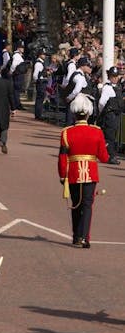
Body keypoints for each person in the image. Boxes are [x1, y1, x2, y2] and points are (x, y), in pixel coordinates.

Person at [59, 94, 110, 248]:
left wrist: (63, 176)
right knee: (87, 205)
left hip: (73, 173)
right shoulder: (97, 132)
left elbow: (62, 157)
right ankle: (84, 237)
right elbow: (104, 158)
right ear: (88, 113)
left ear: (74, 114)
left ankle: (76, 236)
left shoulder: (66, 132)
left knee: (76, 204)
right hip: (90, 172)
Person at [97, 67, 122, 164]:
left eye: (116, 76)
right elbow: (102, 103)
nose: (115, 78)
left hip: (115, 115)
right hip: (109, 115)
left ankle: (107, 155)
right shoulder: (107, 87)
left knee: (112, 136)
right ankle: (110, 156)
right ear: (109, 76)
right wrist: (103, 113)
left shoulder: (118, 87)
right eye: (113, 76)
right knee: (109, 136)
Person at [32, 51, 48, 120]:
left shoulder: (41, 62)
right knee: (40, 98)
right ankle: (38, 115)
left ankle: (38, 114)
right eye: (43, 54)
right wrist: (38, 81)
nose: (44, 56)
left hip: (42, 81)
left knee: (41, 98)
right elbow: (35, 75)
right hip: (41, 82)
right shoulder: (38, 63)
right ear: (39, 55)